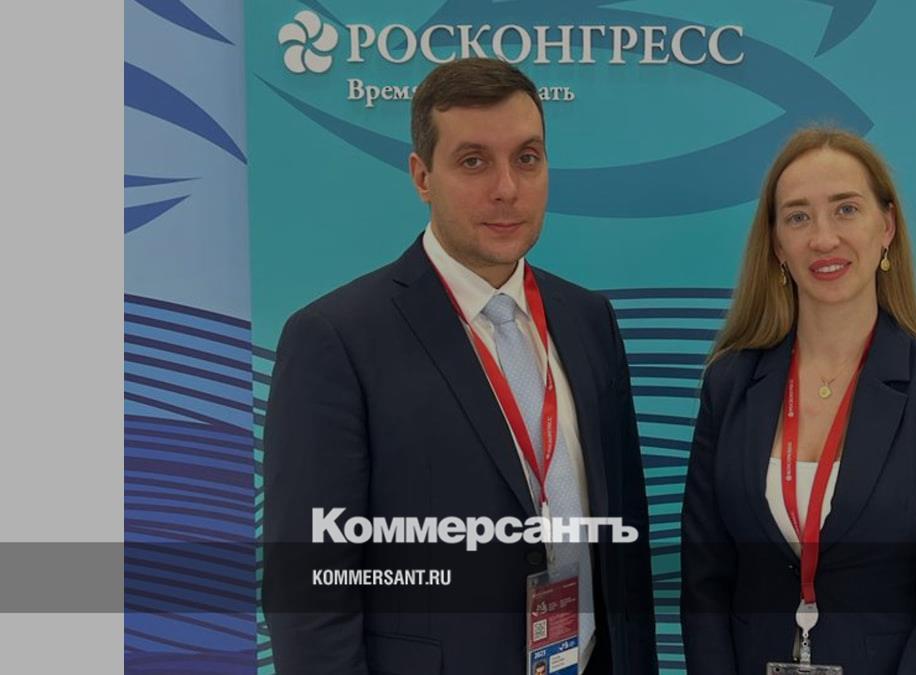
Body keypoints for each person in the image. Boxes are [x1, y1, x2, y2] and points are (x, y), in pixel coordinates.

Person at [263, 58, 657, 675]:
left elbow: (622, 542)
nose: (507, 188)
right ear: (422, 176)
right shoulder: (335, 339)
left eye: (527, 158)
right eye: (473, 161)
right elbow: (310, 591)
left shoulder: (589, 320)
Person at [680, 128, 916, 674]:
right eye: (798, 217)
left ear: (886, 227)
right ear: (777, 245)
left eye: (846, 209)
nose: (823, 238)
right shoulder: (729, 385)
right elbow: (704, 582)